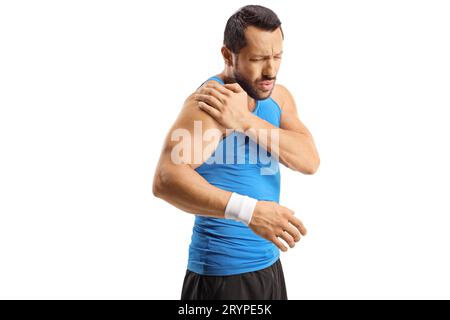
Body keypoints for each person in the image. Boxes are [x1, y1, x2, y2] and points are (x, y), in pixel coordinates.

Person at [153, 5, 320, 300]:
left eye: (277, 57)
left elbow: (309, 160)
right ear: (228, 56)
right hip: (222, 276)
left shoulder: (277, 97)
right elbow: (166, 179)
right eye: (257, 59)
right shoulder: (209, 105)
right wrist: (250, 211)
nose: (270, 71)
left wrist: (244, 120)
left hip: (269, 265)